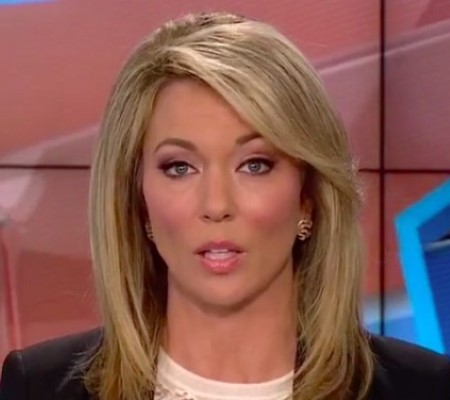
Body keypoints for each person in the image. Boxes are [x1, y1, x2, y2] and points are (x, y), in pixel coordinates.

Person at [1, 11, 449, 400]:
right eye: (179, 167)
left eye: (255, 165)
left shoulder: (423, 389)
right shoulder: (40, 387)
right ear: (138, 201)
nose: (216, 205)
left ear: (308, 198)